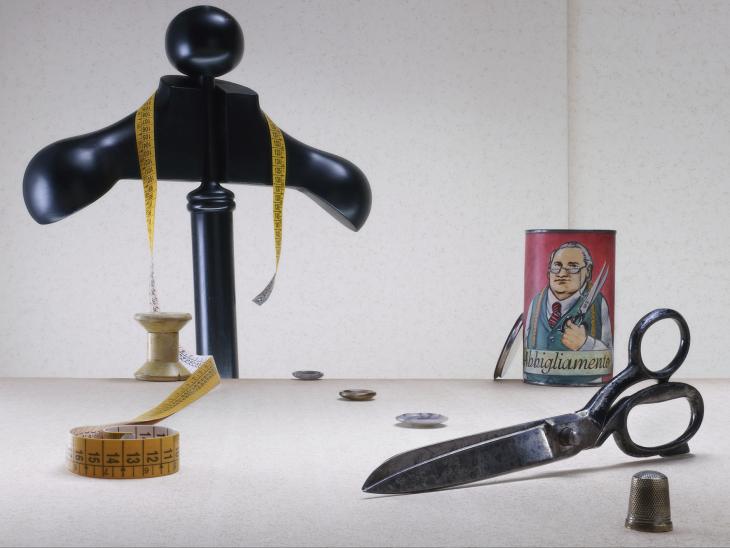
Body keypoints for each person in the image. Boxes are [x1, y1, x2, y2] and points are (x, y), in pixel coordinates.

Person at [525, 241, 611, 352]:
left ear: (588, 271)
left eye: (573, 267)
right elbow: (525, 346)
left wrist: (586, 344)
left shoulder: (599, 303)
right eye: (557, 266)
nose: (561, 274)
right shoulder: (535, 302)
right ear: (549, 271)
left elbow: (609, 354)